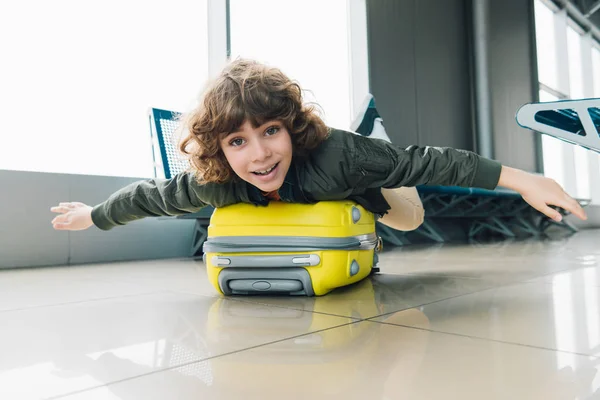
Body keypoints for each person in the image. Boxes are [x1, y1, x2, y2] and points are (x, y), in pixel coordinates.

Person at [50, 59, 587, 232]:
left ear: (290, 129)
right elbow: (150, 196)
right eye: (238, 141)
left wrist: (527, 181)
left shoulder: (338, 156)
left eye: (270, 131)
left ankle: (375, 153)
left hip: (377, 181)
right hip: (319, 186)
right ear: (219, 151)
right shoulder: (215, 184)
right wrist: (93, 215)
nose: (258, 154)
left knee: (406, 219)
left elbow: (434, 160)